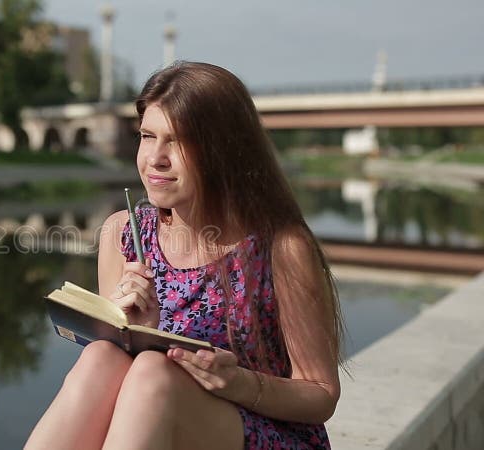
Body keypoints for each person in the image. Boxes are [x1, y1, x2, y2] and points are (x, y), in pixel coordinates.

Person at [25, 61, 344, 450]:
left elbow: (322, 393)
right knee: (101, 359)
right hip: (155, 427)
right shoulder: (122, 234)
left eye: (177, 141)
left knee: (152, 374)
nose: (155, 158)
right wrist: (130, 324)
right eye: (147, 136)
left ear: (224, 150)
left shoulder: (280, 247)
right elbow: (119, 365)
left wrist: (240, 383)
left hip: (266, 434)